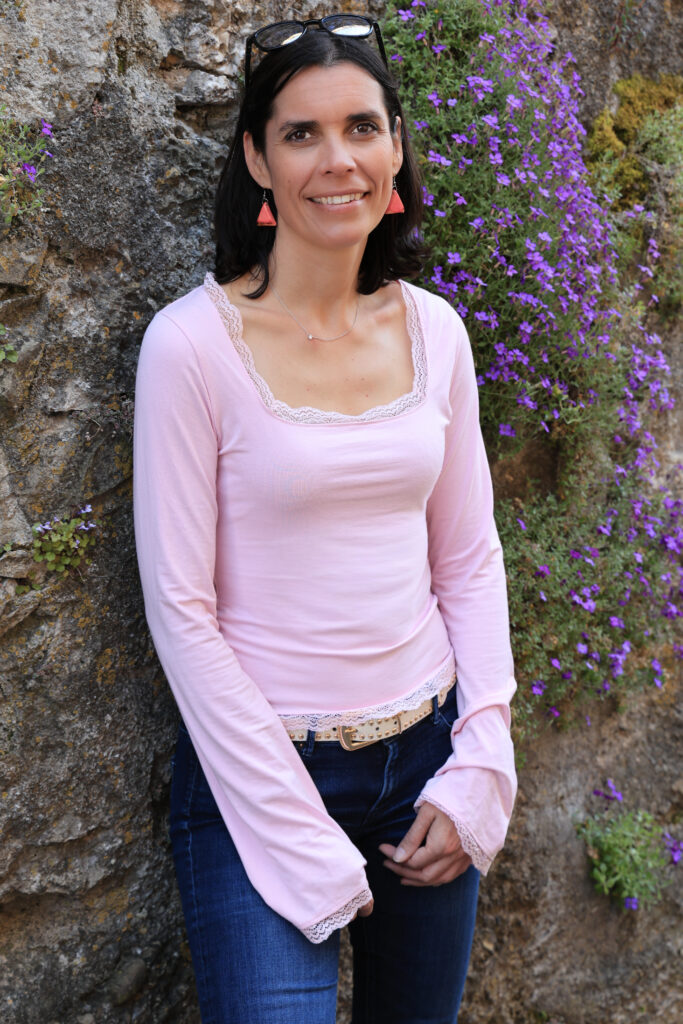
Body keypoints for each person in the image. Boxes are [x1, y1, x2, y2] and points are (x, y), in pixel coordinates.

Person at [133, 13, 517, 1024]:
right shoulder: (190, 348)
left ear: (394, 147)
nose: (335, 159)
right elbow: (181, 606)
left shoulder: (433, 331)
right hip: (256, 780)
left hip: (423, 768)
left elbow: (468, 560)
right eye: (300, 134)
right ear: (256, 158)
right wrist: (291, 825)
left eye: (360, 126)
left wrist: (481, 758)